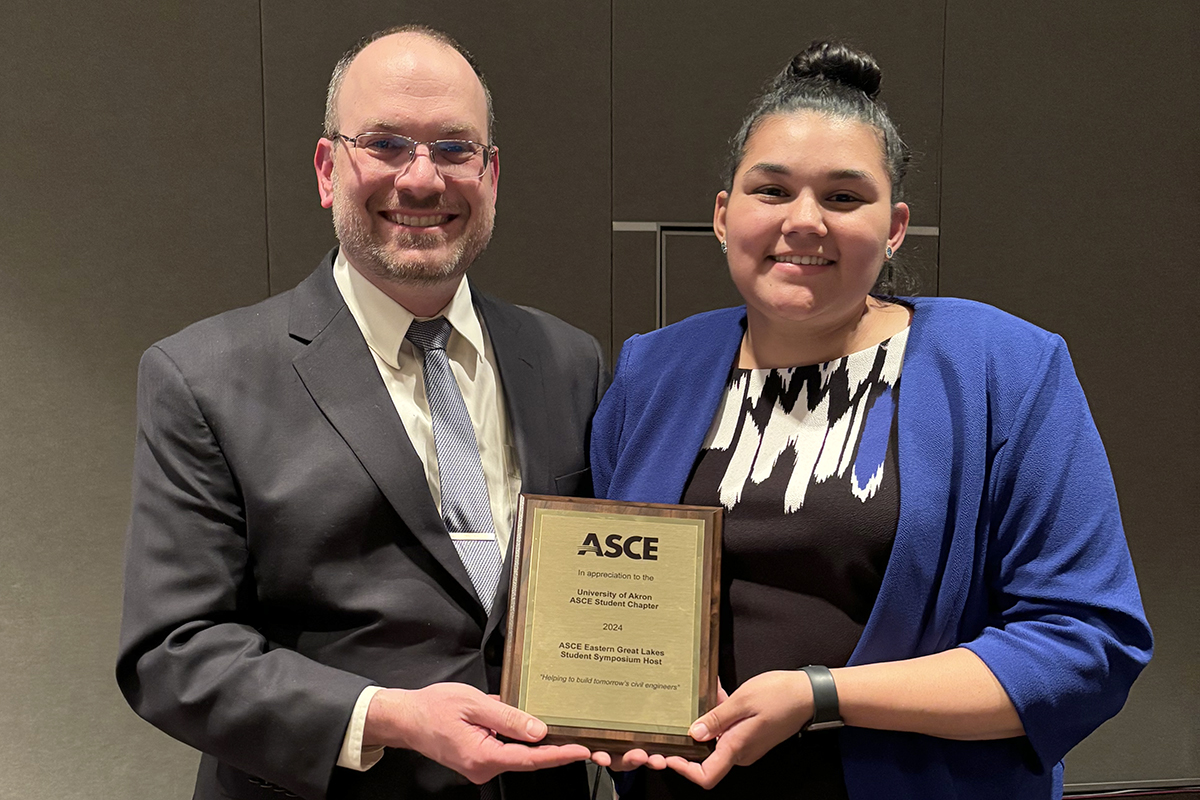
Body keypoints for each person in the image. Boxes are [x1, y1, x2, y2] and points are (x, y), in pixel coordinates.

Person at [588, 41, 1152, 799]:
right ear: (724, 216)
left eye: (845, 198)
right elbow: (605, 595)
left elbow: (1086, 643)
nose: (805, 221)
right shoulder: (653, 370)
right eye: (772, 191)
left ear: (895, 228)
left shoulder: (1005, 366)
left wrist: (822, 695)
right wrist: (605, 709)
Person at [117, 26, 606, 800]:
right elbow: (174, 653)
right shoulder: (203, 376)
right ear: (326, 167)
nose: (422, 181)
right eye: (385, 144)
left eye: (454, 148)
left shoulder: (569, 360)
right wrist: (389, 717)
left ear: (492, 173)